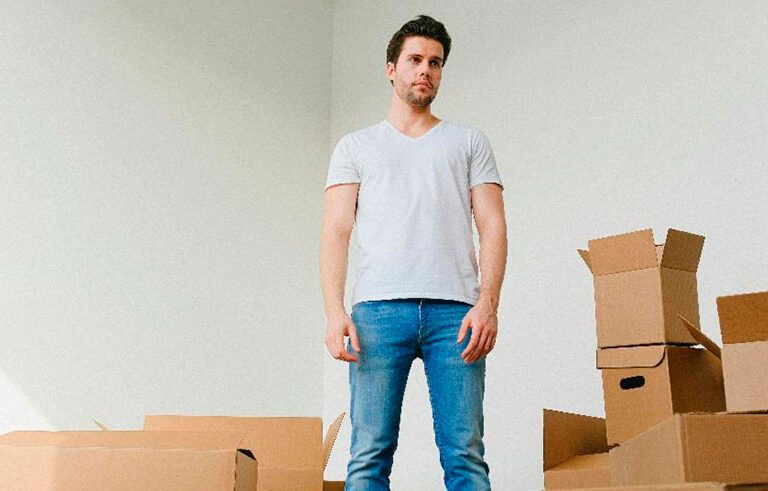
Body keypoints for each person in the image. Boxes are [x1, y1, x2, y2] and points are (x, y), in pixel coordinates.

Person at [320, 14, 507, 491]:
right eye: (415, 59)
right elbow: (336, 231)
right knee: (368, 455)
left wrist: (488, 304)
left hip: (457, 315)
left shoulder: (469, 142)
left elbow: (492, 224)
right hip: (377, 312)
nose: (425, 70)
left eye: (435, 63)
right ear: (391, 68)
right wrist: (335, 312)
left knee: (465, 455)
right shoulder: (355, 147)